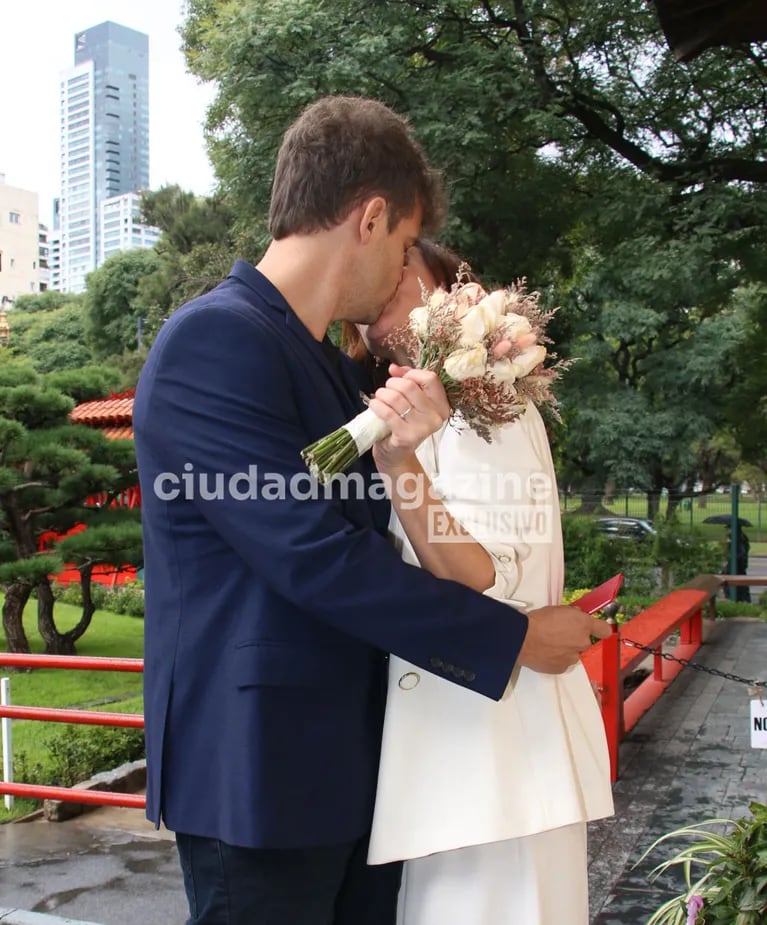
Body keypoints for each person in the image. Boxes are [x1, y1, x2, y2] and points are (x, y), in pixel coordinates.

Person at [133, 95, 610, 925]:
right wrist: (514, 636)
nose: (403, 270)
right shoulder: (213, 340)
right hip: (261, 770)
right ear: (371, 216)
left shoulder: (325, 367)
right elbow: (311, 555)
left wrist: (483, 352)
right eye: (398, 246)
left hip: (356, 772)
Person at [345, 239, 614, 924]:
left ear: (458, 296)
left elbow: (486, 575)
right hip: (469, 759)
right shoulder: (436, 406)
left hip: (495, 762)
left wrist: (397, 465)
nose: (382, 297)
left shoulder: (486, 400)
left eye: (405, 272)